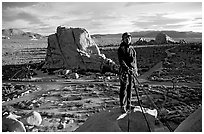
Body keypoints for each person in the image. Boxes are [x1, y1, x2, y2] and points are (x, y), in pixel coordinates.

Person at [118, 32, 139, 113]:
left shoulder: (132, 49)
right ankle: (122, 105)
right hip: (124, 71)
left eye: (129, 38)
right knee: (124, 88)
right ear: (123, 39)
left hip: (132, 71)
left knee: (130, 88)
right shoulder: (121, 49)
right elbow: (121, 60)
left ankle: (129, 104)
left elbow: (134, 61)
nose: (128, 39)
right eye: (126, 38)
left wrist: (135, 70)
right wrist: (126, 68)